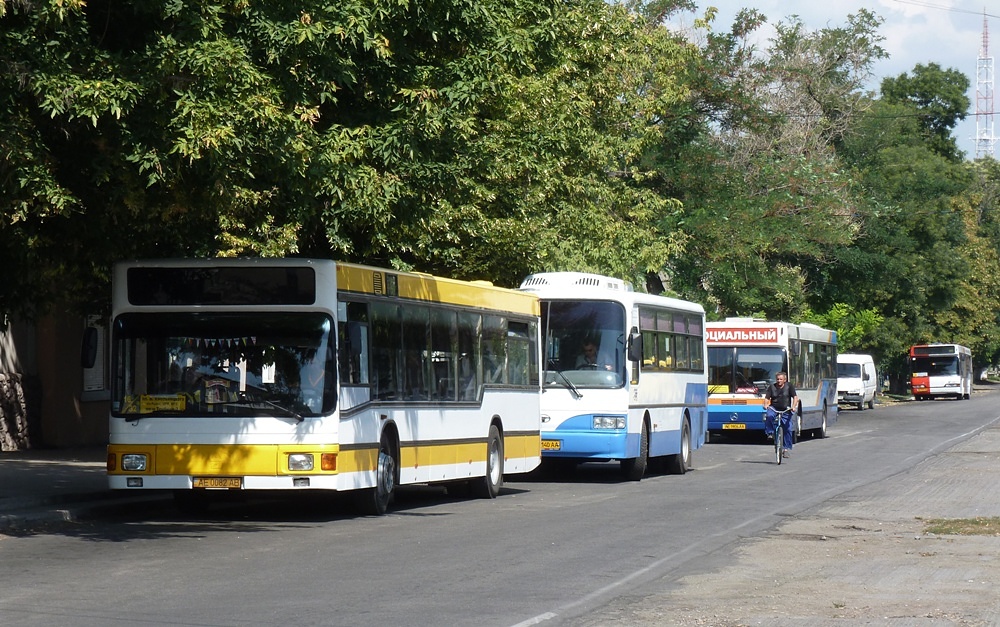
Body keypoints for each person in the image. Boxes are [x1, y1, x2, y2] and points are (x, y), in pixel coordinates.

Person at [764, 371, 798, 458]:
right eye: (777, 379)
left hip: (786, 409)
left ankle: (785, 449)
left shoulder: (789, 386)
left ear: (785, 380)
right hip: (774, 408)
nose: (779, 381)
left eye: (781, 379)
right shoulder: (772, 387)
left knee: (788, 428)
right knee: (769, 416)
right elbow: (767, 398)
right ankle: (770, 433)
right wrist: (766, 405)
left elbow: (795, 397)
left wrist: (793, 406)